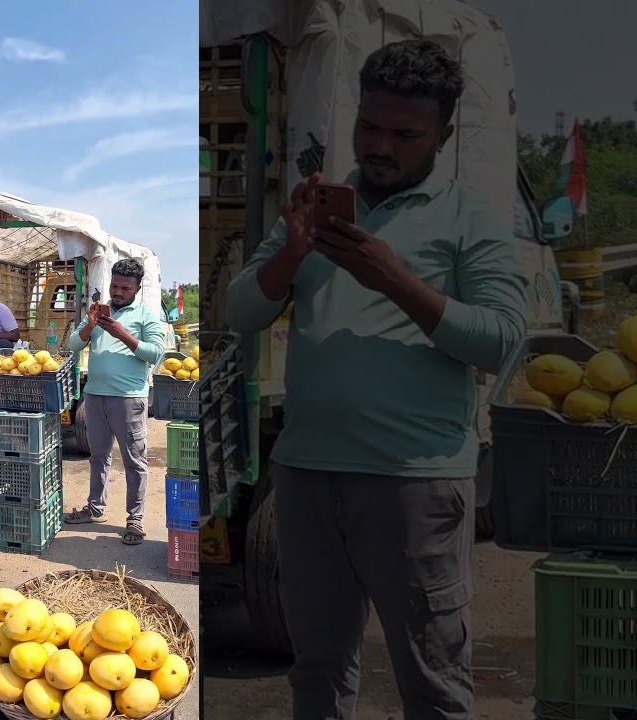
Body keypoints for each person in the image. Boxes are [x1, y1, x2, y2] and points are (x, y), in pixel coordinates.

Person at [226, 39, 527, 720]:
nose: (380, 146)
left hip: (414, 485)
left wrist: (397, 283)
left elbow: (502, 342)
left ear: (442, 137)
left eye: (404, 134)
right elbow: (240, 309)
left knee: (433, 678)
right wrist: (292, 248)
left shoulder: (468, 220)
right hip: (304, 477)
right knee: (318, 671)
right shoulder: (317, 208)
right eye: (369, 126)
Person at [62, 258, 166, 545]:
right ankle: (95, 508)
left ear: (137, 288)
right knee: (98, 456)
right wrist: (90, 324)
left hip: (129, 399)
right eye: (114, 285)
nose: (117, 292)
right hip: (94, 396)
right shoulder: (98, 311)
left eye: (125, 288)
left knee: (134, 461)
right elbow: (73, 345)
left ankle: (135, 519)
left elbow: (156, 354)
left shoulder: (146, 316)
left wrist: (122, 333)